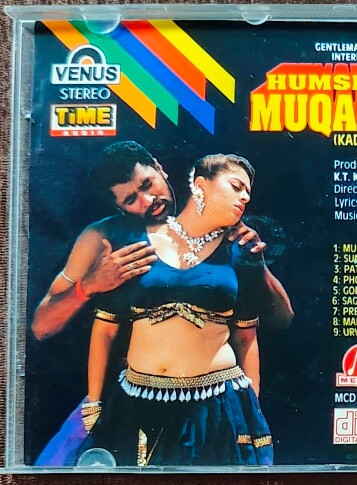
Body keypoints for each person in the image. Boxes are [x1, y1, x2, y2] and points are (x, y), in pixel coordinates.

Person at [81, 154, 276, 466]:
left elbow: (246, 337)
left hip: (215, 406)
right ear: (201, 185)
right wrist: (93, 404)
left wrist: (251, 410)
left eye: (248, 192)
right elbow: (104, 329)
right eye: (236, 186)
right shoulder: (132, 242)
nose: (245, 198)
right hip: (136, 403)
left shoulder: (241, 250)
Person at [31, 141, 293, 342]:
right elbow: (41, 327)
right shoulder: (102, 236)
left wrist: (256, 265)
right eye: (130, 200)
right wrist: (89, 285)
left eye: (147, 184)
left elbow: (284, 318)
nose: (147, 201)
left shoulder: (217, 212)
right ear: (119, 207)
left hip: (215, 382)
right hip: (133, 384)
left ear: (159, 168)